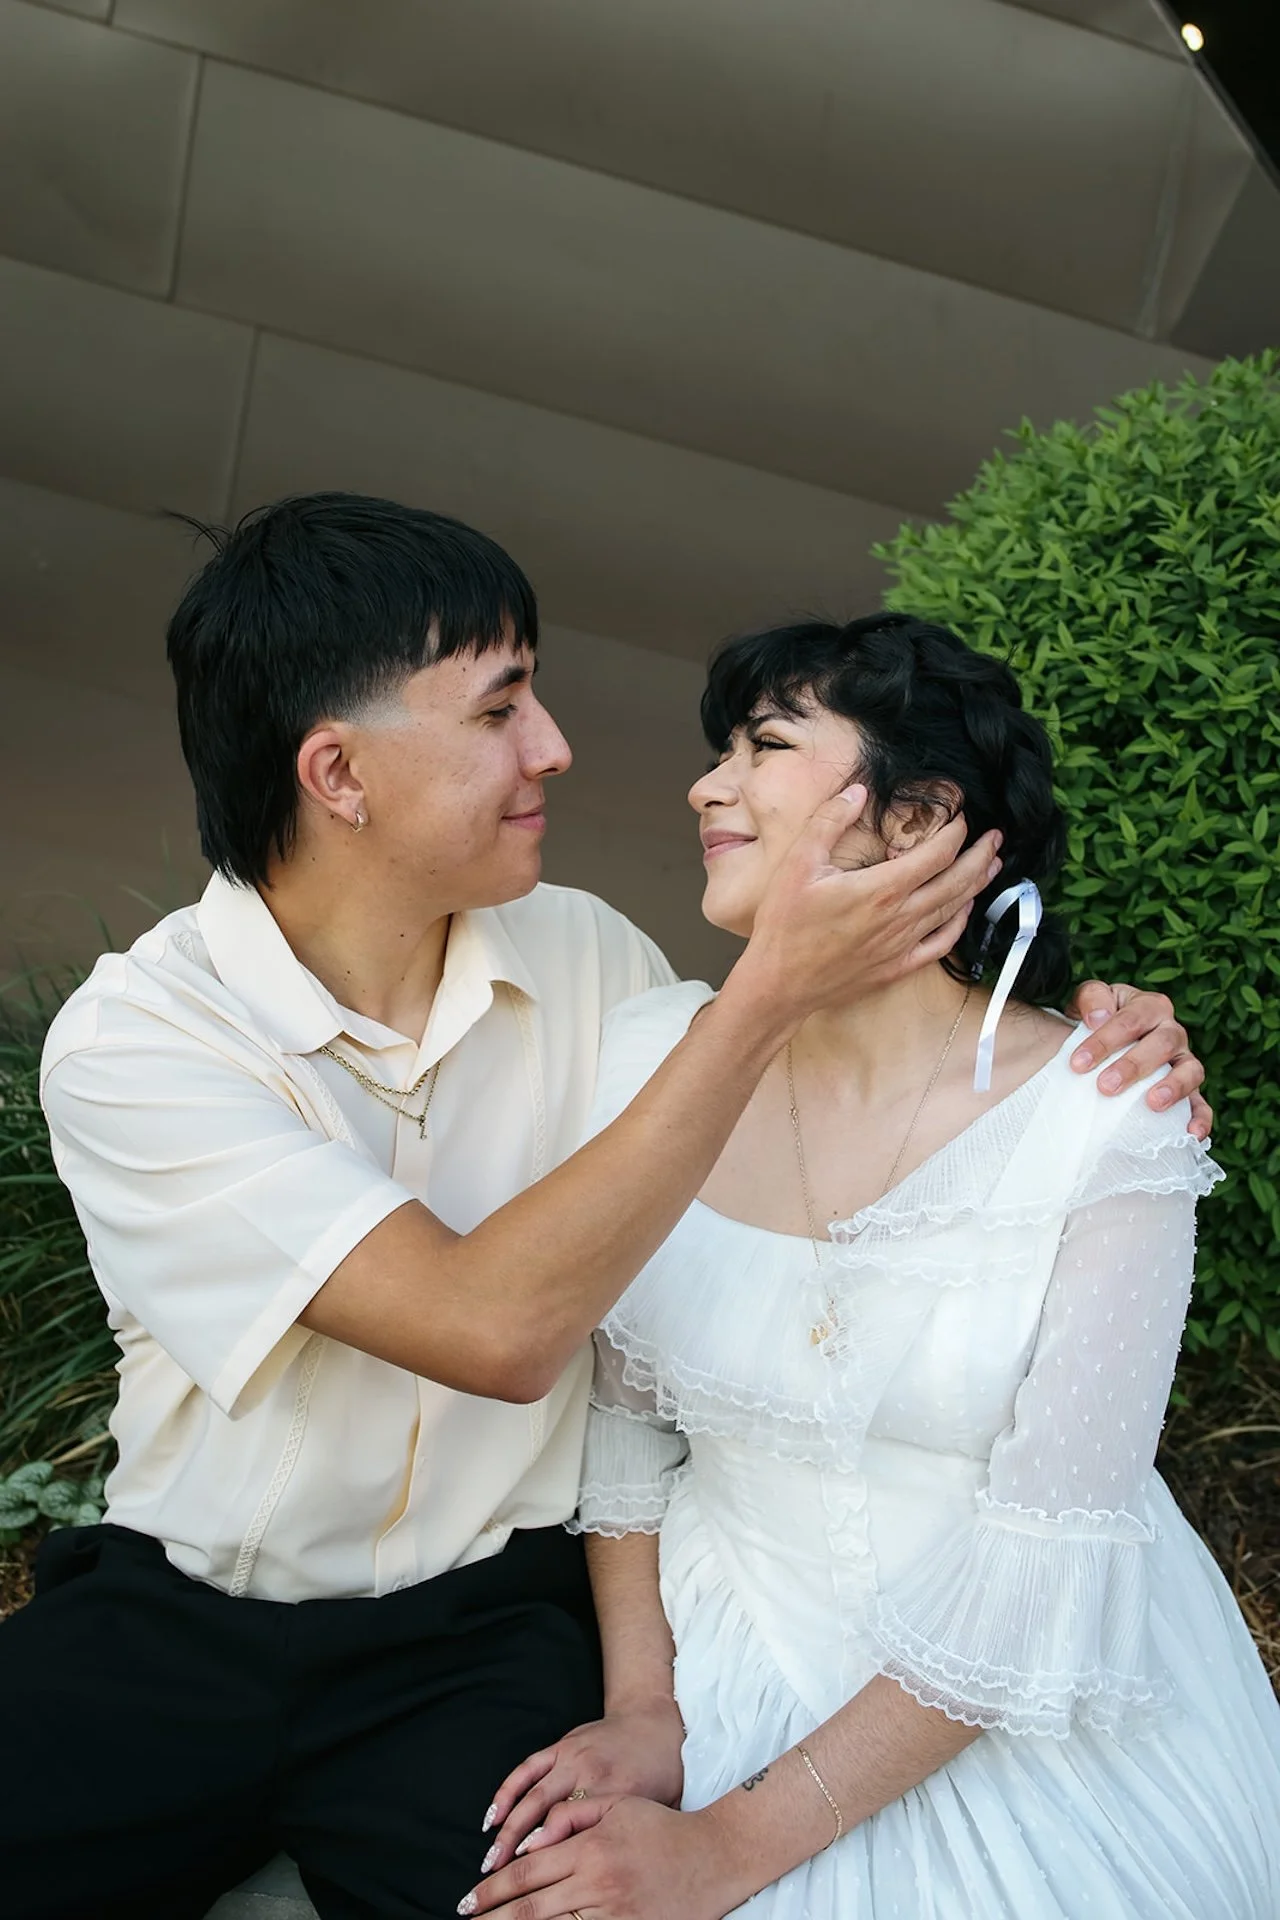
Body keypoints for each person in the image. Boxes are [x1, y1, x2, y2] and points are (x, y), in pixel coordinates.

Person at [2, 500, 1204, 1920]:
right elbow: (493, 1326)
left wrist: (1092, 1037)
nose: (556, 747)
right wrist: (770, 993)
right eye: (502, 708)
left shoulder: (595, 967)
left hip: (481, 1633)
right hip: (183, 1613)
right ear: (339, 773)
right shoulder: (141, 1040)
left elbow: (849, 1076)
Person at [473, 614, 1280, 1920]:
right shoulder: (649, 1052)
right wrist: (646, 1710)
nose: (706, 784)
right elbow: (622, 1428)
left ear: (917, 823)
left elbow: (1036, 1585)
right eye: (717, 750)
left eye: (765, 747)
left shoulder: (1105, 1124)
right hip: (726, 1656)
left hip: (1023, 1711)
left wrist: (727, 1853)